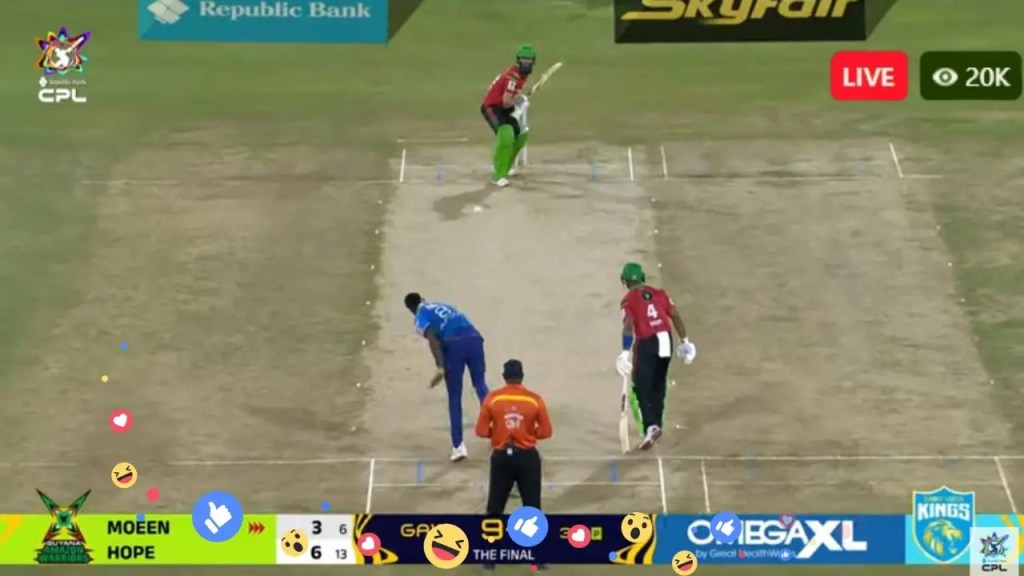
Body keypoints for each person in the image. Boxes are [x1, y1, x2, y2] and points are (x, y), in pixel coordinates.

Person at [615, 262, 696, 451]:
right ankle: (657, 424)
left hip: (647, 341)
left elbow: (628, 325)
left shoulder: (628, 300)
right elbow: (674, 315)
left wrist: (625, 352)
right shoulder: (660, 293)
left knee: (641, 386)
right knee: (658, 384)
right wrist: (685, 341)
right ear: (643, 277)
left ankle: (650, 427)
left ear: (624, 281)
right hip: (666, 340)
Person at [404, 292, 489, 462]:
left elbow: (433, 340)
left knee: (454, 396)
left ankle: (458, 446)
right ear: (423, 299)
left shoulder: (419, 318)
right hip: (474, 338)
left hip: (455, 344)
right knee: (480, 384)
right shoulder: (443, 305)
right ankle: (496, 427)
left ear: (411, 310)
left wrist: (440, 366)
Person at [475, 359, 552, 521]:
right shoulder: (534, 399)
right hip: (528, 459)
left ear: (504, 376)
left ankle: (492, 535)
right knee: (532, 510)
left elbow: (481, 431)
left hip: (501, 459)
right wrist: (528, 433)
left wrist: (498, 433)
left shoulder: (492, 399)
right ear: (522, 376)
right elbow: (546, 431)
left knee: (495, 509)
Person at [481, 44, 535, 188]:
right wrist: (519, 102)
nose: (526, 64)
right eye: (524, 60)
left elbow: (510, 97)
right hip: (492, 108)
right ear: (518, 60)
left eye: (529, 61)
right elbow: (506, 101)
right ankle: (498, 174)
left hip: (503, 108)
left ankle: (506, 166)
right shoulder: (513, 77)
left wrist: (518, 100)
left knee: (520, 134)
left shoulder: (523, 76)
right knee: (506, 134)